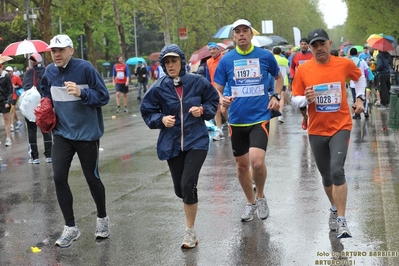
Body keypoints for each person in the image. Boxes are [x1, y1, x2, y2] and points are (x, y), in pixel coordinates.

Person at [140, 44, 219, 249]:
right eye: (166, 62)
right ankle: (188, 200)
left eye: (174, 61)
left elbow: (213, 102)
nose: (170, 65)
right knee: (180, 190)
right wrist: (161, 119)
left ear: (181, 62)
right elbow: (147, 112)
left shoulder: (197, 82)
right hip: (171, 143)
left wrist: (202, 110)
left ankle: (190, 232)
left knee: (188, 185)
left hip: (197, 141)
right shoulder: (158, 87)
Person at [291, 28, 366, 239]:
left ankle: (342, 221)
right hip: (316, 129)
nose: (318, 48)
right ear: (310, 48)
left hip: (341, 125)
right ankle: (334, 208)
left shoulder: (343, 64)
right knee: (326, 176)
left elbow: (358, 79)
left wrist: (360, 99)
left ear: (329, 43)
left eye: (322, 43)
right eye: (314, 45)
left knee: (336, 171)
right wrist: (306, 99)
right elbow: (294, 98)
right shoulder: (304, 70)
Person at [41, 34, 110, 247]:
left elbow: (104, 96)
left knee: (92, 177)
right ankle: (70, 228)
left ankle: (102, 219)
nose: (56, 54)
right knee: (59, 177)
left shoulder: (85, 68)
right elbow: (44, 91)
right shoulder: (49, 72)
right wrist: (44, 108)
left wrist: (82, 93)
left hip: (87, 133)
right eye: (53, 50)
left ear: (71, 50)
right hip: (62, 134)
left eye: (61, 50)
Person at [213, 19, 283, 222]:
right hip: (236, 120)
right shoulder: (226, 60)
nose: (242, 34)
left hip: (259, 117)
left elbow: (278, 78)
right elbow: (216, 88)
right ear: (233, 36)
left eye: (245, 31)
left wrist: (276, 96)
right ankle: (250, 202)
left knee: (257, 163)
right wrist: (221, 99)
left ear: (252, 34)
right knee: (242, 166)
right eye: (238, 31)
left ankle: (260, 196)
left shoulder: (265, 56)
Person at [22, 53, 52, 164]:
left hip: (32, 106)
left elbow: (25, 87)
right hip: (44, 104)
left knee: (31, 130)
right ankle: (49, 155)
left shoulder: (29, 73)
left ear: (32, 62)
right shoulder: (47, 71)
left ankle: (35, 157)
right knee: (46, 129)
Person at [290, 38, 313, 130]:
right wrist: (292, 76)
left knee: (313, 101)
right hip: (300, 82)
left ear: (308, 45)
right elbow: (292, 68)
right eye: (302, 44)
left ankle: (315, 121)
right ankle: (305, 117)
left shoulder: (312, 55)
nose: (303, 46)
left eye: (305, 44)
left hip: (312, 81)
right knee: (301, 104)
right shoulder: (296, 56)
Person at [206, 42, 226, 140]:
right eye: (210, 49)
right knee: (216, 110)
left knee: (224, 109)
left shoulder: (223, 58)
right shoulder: (208, 62)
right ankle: (219, 130)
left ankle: (231, 125)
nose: (212, 51)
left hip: (225, 87)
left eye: (214, 48)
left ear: (218, 49)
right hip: (214, 88)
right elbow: (208, 76)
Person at [348, 47, 369, 119]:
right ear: (357, 53)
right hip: (362, 83)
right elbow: (367, 71)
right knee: (362, 98)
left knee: (355, 98)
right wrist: (368, 77)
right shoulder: (362, 61)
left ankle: (357, 115)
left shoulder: (349, 61)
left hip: (353, 84)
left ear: (350, 54)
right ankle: (366, 111)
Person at [272, 46, 289, 123]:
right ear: (280, 52)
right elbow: (288, 71)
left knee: (272, 97)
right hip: (283, 81)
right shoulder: (285, 60)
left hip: (272, 82)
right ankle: (280, 115)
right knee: (281, 97)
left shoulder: (271, 59)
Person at [5, 66, 23, 132]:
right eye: (7, 71)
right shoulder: (6, 78)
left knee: (12, 109)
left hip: (14, 95)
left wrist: (15, 86)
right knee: (12, 110)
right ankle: (18, 121)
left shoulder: (16, 77)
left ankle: (12, 125)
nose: (8, 72)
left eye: (9, 71)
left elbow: (21, 85)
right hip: (8, 96)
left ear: (12, 71)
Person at [0, 63, 13, 146]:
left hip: (4, 101)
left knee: (6, 120)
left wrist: (8, 101)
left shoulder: (6, 76)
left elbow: (10, 90)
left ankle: (8, 139)